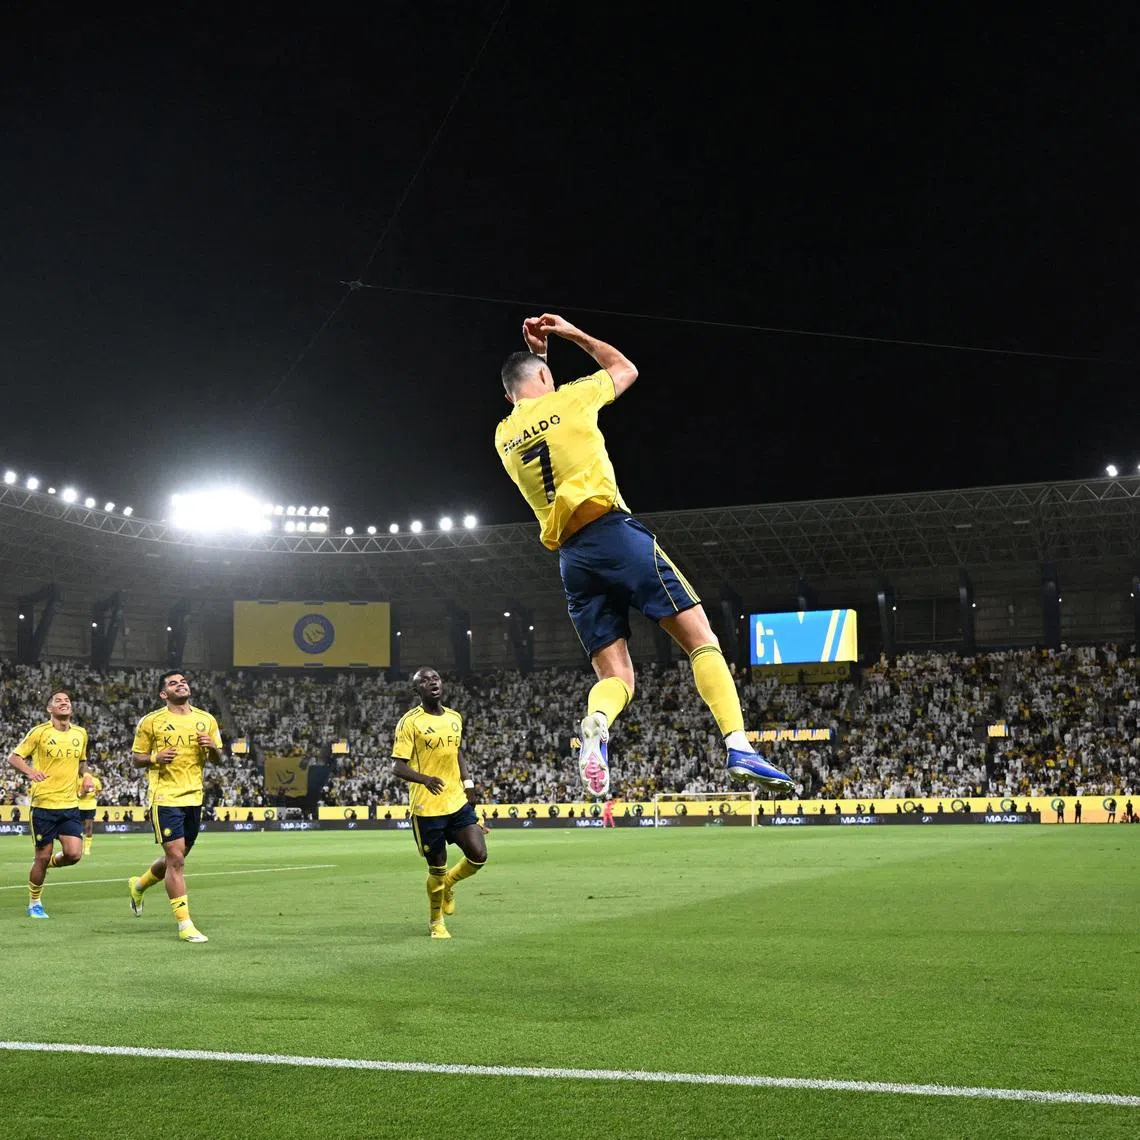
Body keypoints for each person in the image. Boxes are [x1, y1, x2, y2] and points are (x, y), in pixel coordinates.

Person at [495, 313, 792, 797]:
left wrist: (540, 359)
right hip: (614, 534)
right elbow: (624, 368)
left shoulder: (503, 437)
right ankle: (738, 744)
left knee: (617, 677)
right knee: (701, 639)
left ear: (508, 395)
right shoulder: (572, 399)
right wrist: (572, 335)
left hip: (572, 560)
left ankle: (596, 721)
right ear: (548, 380)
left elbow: (534, 408)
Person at [392, 667, 487, 940]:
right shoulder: (410, 722)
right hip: (427, 808)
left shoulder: (455, 718)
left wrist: (468, 784)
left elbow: (457, 752)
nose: (431, 682)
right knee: (437, 867)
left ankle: (448, 885)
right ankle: (436, 922)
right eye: (424, 681)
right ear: (417, 690)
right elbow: (398, 767)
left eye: (435, 678)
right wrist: (425, 779)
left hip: (456, 801)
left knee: (478, 855)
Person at [126, 671, 221, 943]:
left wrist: (212, 747)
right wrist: (155, 757)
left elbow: (217, 759)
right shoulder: (152, 722)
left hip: (195, 798)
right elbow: (137, 759)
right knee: (176, 860)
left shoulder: (206, 720)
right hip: (166, 797)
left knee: (175, 859)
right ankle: (185, 925)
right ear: (163, 694)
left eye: (183, 681)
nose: (180, 684)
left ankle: (139, 884)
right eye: (172, 683)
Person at [5, 689, 89, 918]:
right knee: (41, 855)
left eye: (67, 700)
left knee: (73, 855)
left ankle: (45, 864)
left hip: (70, 805)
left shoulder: (80, 733)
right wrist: (30, 771)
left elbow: (82, 762)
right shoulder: (39, 733)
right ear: (49, 709)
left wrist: (87, 775)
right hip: (44, 805)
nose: (64, 703)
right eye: (58, 701)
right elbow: (13, 757)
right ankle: (34, 902)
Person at [77, 764, 103, 857]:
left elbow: (99, 791)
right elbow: (77, 794)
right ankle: (78, 846)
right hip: (79, 806)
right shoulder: (78, 780)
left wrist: (95, 792)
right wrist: (83, 792)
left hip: (90, 806)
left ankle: (87, 848)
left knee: (88, 827)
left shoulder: (96, 781)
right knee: (77, 828)